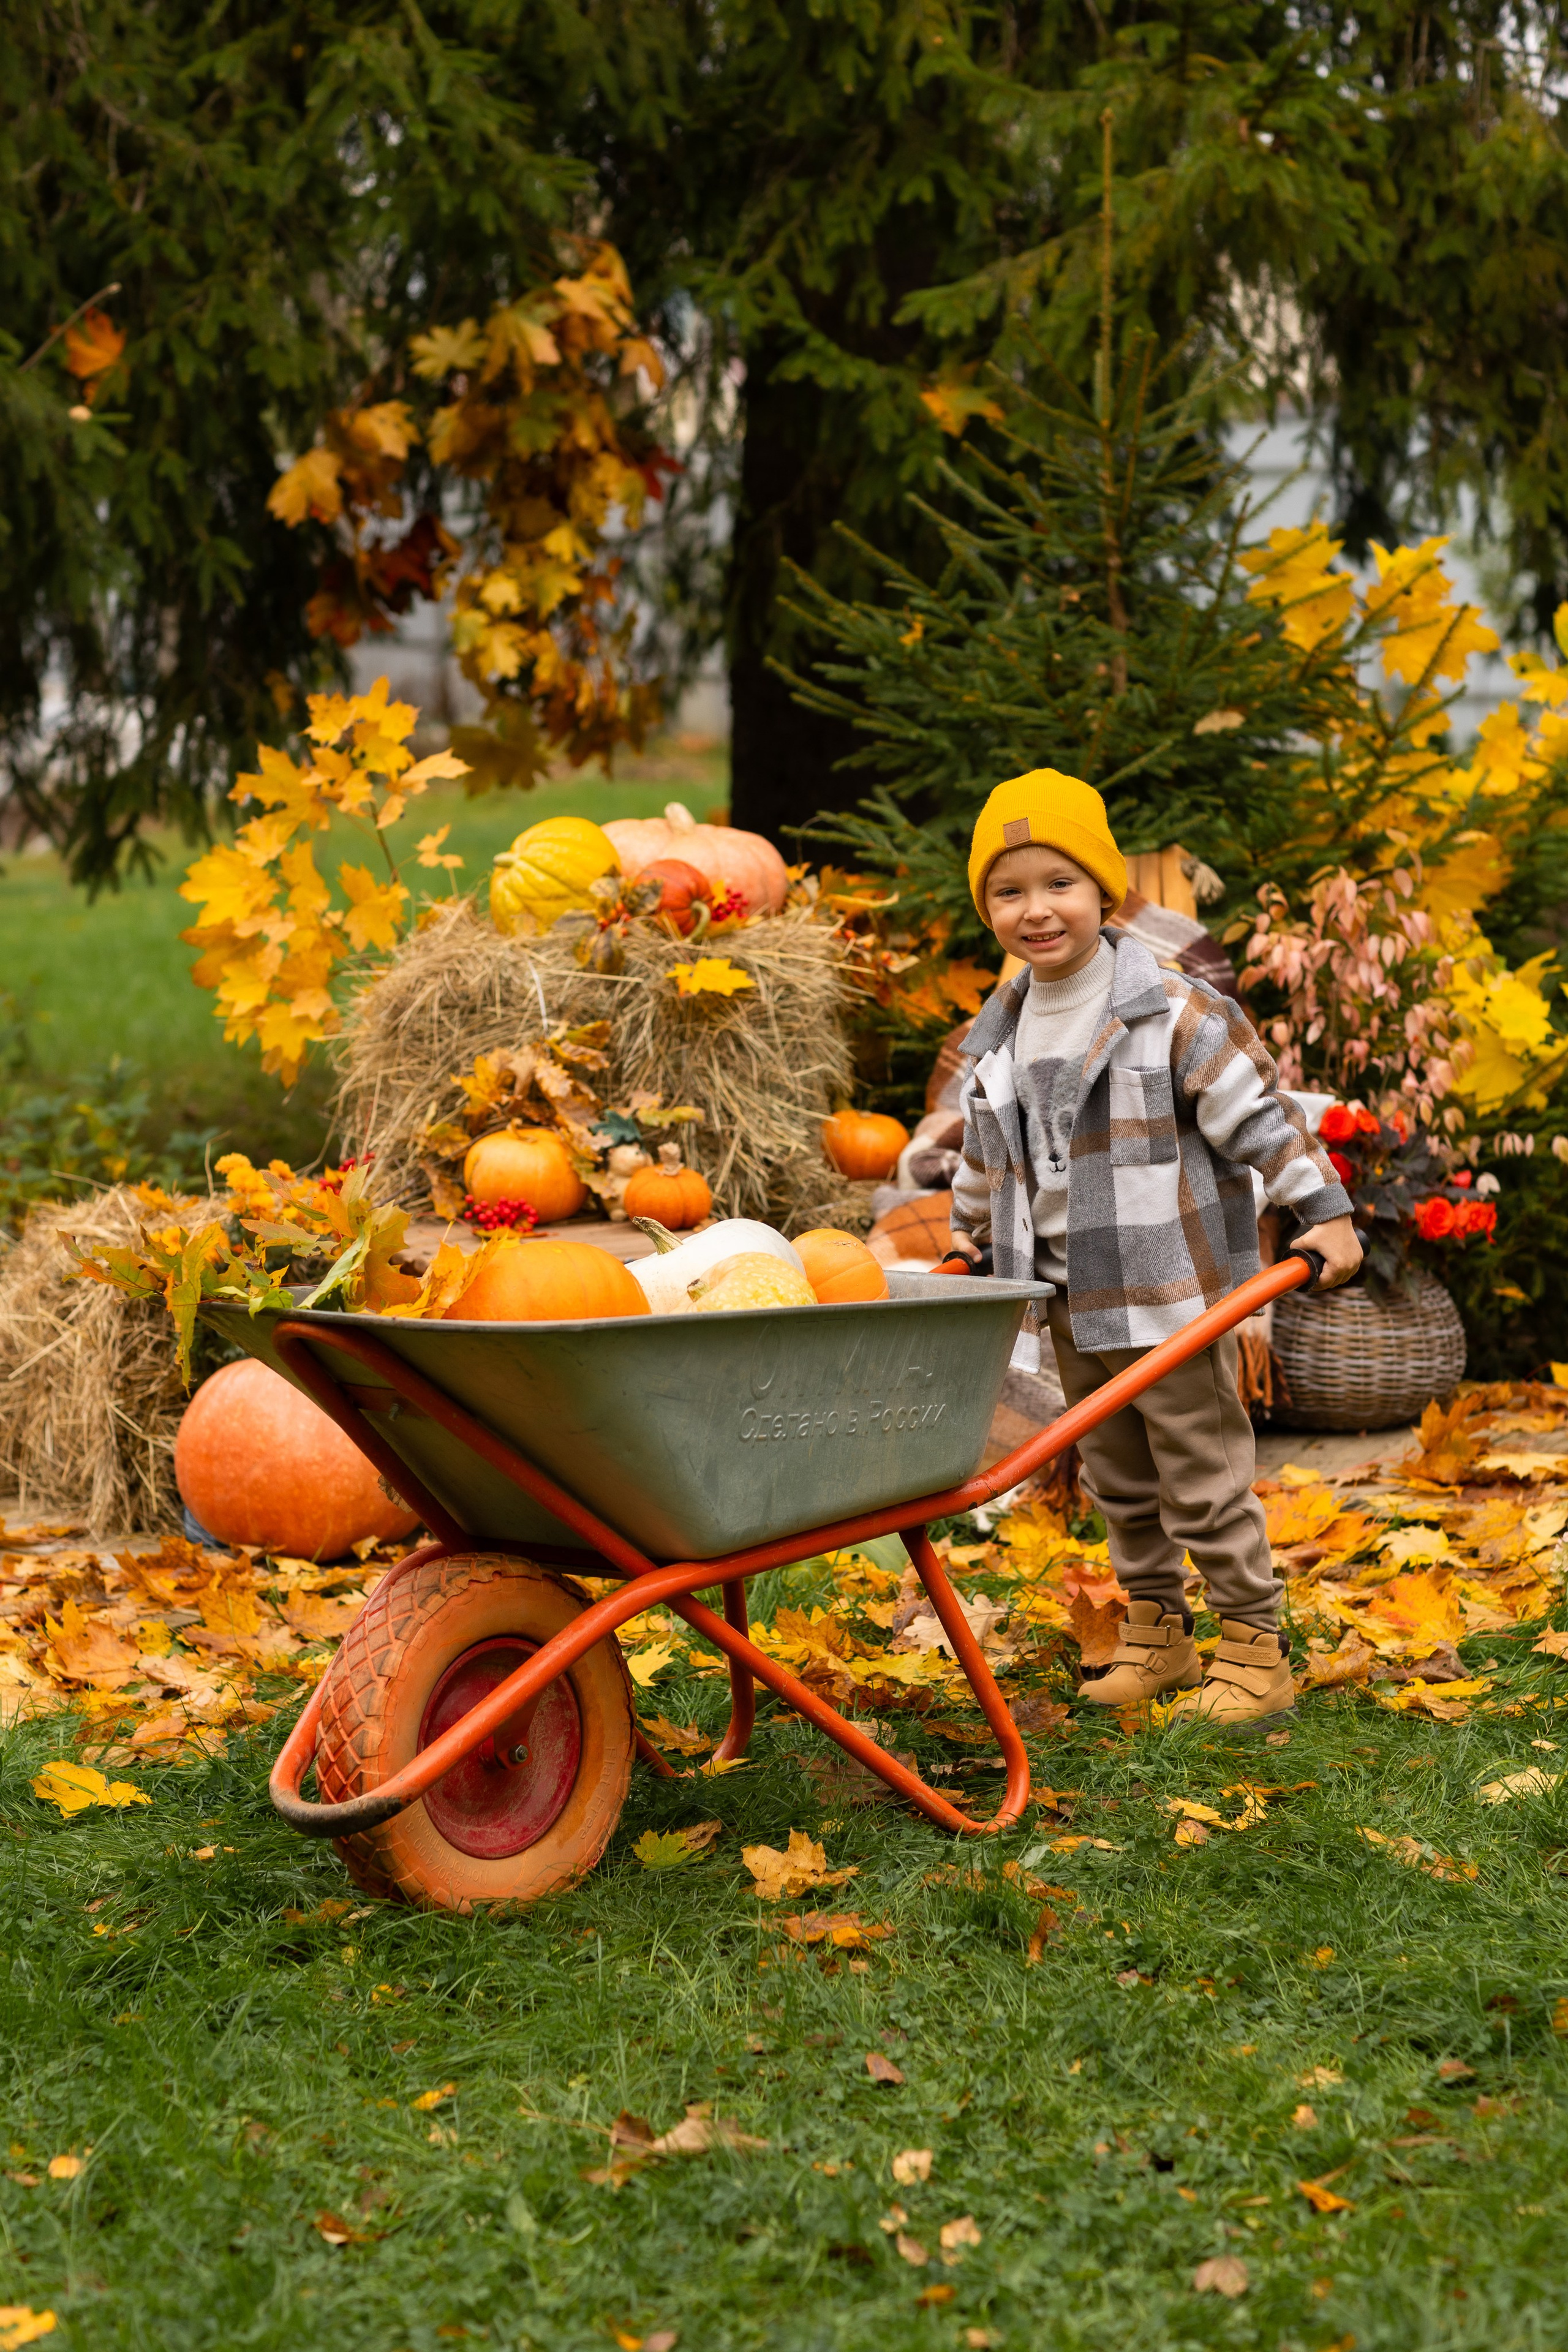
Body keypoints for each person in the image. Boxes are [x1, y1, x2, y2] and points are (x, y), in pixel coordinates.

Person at [948, 768, 1362, 1728]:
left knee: (1202, 1474)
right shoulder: (998, 1035)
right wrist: (970, 1243)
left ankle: (1256, 1649)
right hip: (1065, 1300)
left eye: (1059, 883)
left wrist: (1323, 1209)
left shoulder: (1170, 1011)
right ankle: (1158, 1631)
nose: (1036, 910)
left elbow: (1258, 1118)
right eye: (1008, 892)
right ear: (988, 911)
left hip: (1168, 1293)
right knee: (1119, 1481)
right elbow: (983, 1158)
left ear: (1103, 891)